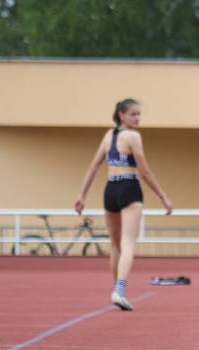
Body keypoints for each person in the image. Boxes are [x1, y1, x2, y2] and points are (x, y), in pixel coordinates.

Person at [74, 99, 173, 310]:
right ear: (121, 114)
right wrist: (163, 196)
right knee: (127, 243)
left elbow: (93, 168)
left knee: (115, 244)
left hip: (110, 189)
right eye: (133, 114)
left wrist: (82, 195)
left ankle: (116, 289)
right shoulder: (133, 136)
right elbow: (144, 171)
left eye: (139, 114)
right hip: (129, 187)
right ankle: (119, 290)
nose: (137, 118)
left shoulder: (108, 136)